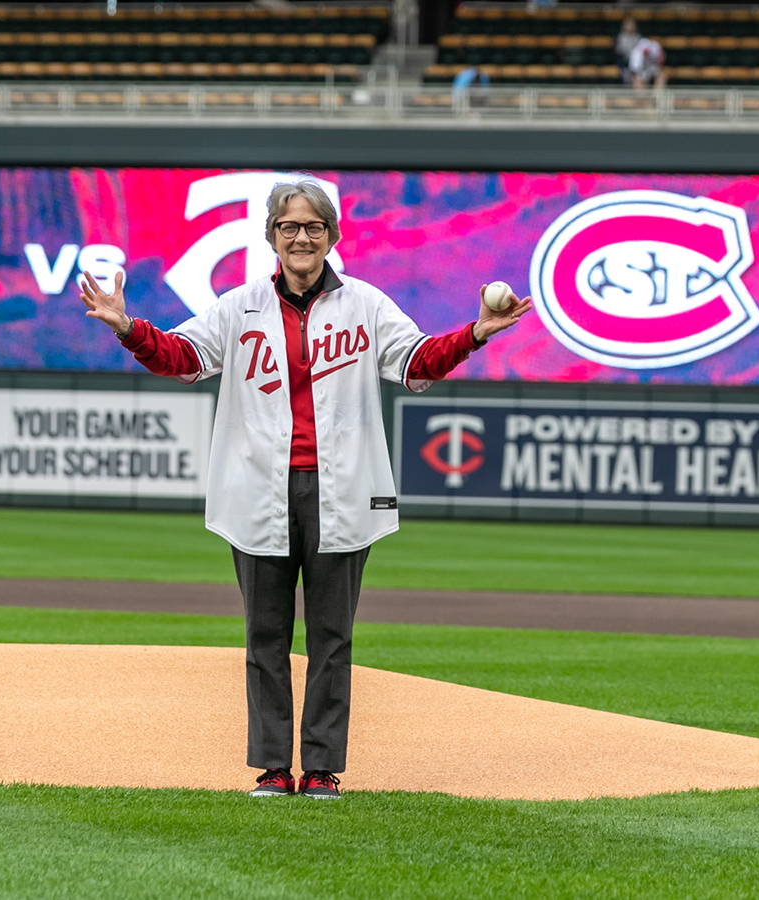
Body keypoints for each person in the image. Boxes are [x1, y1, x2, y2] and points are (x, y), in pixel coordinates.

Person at [78, 179, 531, 800]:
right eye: (288, 226)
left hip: (341, 489)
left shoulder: (366, 304)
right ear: (271, 236)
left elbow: (418, 360)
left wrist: (477, 332)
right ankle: (271, 766)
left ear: (331, 236)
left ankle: (321, 767)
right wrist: (127, 326)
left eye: (313, 226)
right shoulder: (239, 306)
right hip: (256, 489)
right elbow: (180, 358)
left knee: (331, 638)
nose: (300, 236)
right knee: (264, 636)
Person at [615, 18, 642, 84]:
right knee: (626, 75)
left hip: (636, 63)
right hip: (624, 62)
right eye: (628, 25)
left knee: (638, 74)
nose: (630, 27)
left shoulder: (637, 37)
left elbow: (640, 50)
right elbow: (619, 51)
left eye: (632, 25)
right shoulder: (621, 37)